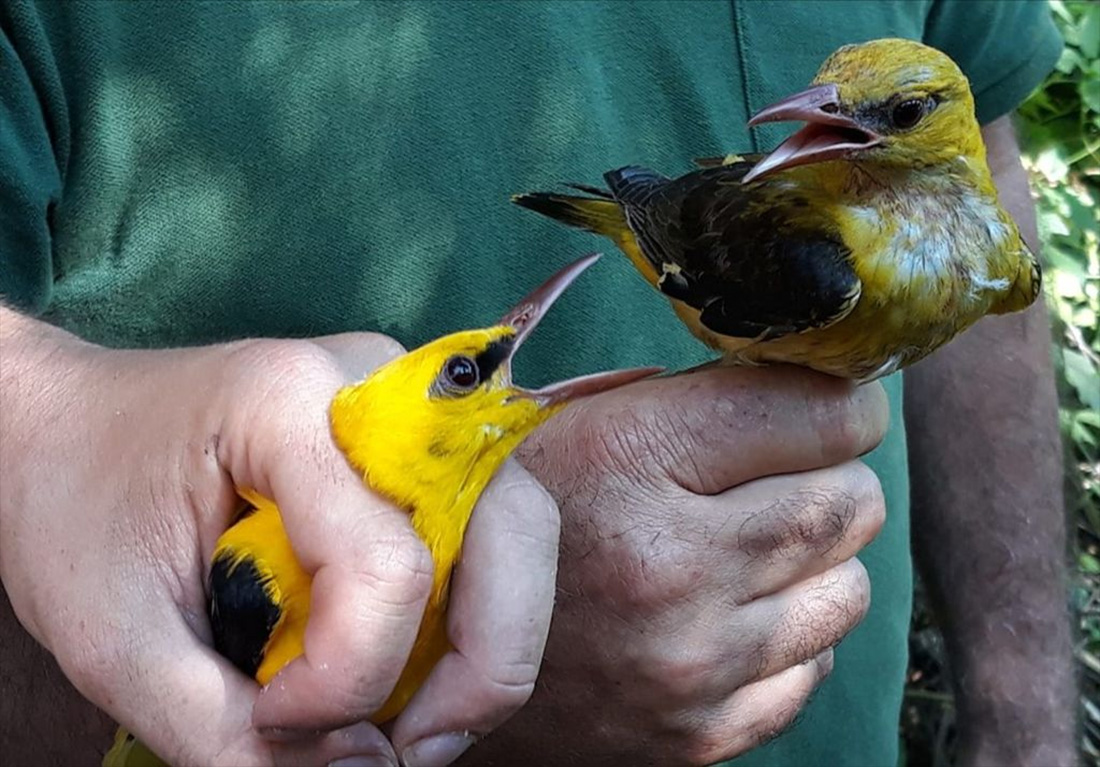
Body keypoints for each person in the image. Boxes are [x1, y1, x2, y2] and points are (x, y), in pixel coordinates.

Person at [0, 1, 1073, 766]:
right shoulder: (810, 261)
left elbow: (985, 137)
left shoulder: (988, 263)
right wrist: (437, 650)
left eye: (883, 119)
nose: (836, 124)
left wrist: (1024, 710)